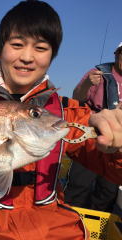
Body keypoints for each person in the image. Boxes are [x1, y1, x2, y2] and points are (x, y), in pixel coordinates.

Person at [0, 1, 122, 239]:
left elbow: (110, 167)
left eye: (41, 48)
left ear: (52, 57)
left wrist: (116, 144)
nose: (28, 57)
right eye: (17, 44)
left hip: (56, 227)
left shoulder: (64, 112)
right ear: (0, 51)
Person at [64, 42, 122, 212]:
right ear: (116, 54)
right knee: (79, 184)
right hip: (91, 134)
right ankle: (73, 218)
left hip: (116, 139)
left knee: (108, 190)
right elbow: (77, 97)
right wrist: (88, 84)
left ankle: (97, 226)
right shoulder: (97, 72)